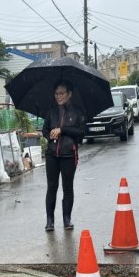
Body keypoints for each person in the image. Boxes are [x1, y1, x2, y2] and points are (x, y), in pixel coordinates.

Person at [40, 80, 85, 231]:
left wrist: (62, 130)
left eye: (61, 93)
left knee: (68, 188)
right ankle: (50, 220)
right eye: (56, 93)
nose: (58, 96)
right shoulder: (51, 111)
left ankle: (67, 219)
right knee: (51, 187)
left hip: (68, 155)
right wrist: (51, 136)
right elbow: (45, 130)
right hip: (52, 154)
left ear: (69, 94)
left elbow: (81, 134)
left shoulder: (77, 112)